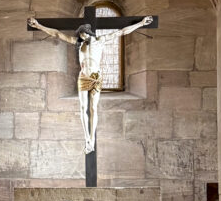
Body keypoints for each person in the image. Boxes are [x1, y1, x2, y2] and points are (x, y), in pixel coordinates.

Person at [27, 14, 154, 153]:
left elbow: (122, 31)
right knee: (82, 108)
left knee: (93, 107)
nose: (82, 37)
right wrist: (38, 26)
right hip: (83, 77)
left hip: (95, 78)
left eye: (84, 34)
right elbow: (57, 34)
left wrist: (141, 24)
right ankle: (87, 138)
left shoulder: (100, 40)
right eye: (81, 35)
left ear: (89, 33)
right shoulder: (79, 42)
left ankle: (92, 138)